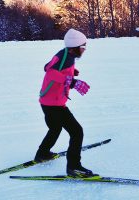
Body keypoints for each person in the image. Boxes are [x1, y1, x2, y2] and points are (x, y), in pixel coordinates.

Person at [34, 28, 94, 177]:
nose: (84, 50)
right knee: (76, 132)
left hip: (50, 102)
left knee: (55, 129)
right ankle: (74, 167)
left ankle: (42, 154)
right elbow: (50, 71)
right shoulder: (64, 56)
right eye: (83, 47)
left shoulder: (67, 54)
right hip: (53, 104)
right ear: (75, 47)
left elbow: (50, 66)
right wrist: (70, 81)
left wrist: (71, 72)